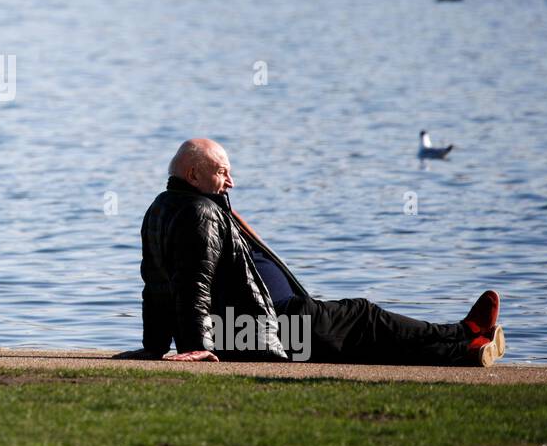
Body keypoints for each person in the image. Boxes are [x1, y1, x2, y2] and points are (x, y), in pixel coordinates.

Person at [120, 138, 506, 367]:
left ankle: (466, 351)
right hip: (272, 325)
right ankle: (463, 333)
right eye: (222, 172)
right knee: (364, 319)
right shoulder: (198, 212)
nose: (230, 180)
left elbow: (155, 284)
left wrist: (154, 345)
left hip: (259, 325)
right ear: (193, 175)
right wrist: (194, 348)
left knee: (361, 343)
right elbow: (193, 284)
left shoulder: (165, 207)